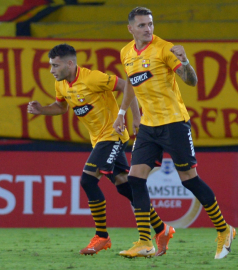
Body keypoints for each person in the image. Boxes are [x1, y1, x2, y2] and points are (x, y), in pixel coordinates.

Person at [27, 44, 174, 256]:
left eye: (55, 65)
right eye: (51, 65)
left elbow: (127, 85)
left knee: (87, 180)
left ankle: (102, 236)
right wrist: (42, 110)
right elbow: (61, 107)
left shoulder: (92, 78)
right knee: (124, 185)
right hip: (99, 141)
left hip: (112, 136)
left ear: (70, 63)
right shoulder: (61, 85)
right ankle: (162, 229)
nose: (52, 70)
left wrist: (134, 117)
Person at [113, 7, 235, 259]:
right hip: (148, 126)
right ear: (130, 29)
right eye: (143, 25)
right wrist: (122, 113)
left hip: (174, 124)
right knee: (135, 179)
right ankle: (146, 241)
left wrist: (186, 61)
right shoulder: (126, 52)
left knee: (189, 179)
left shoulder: (165, 49)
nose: (148, 29)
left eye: (150, 24)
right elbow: (131, 85)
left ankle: (224, 229)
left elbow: (191, 81)